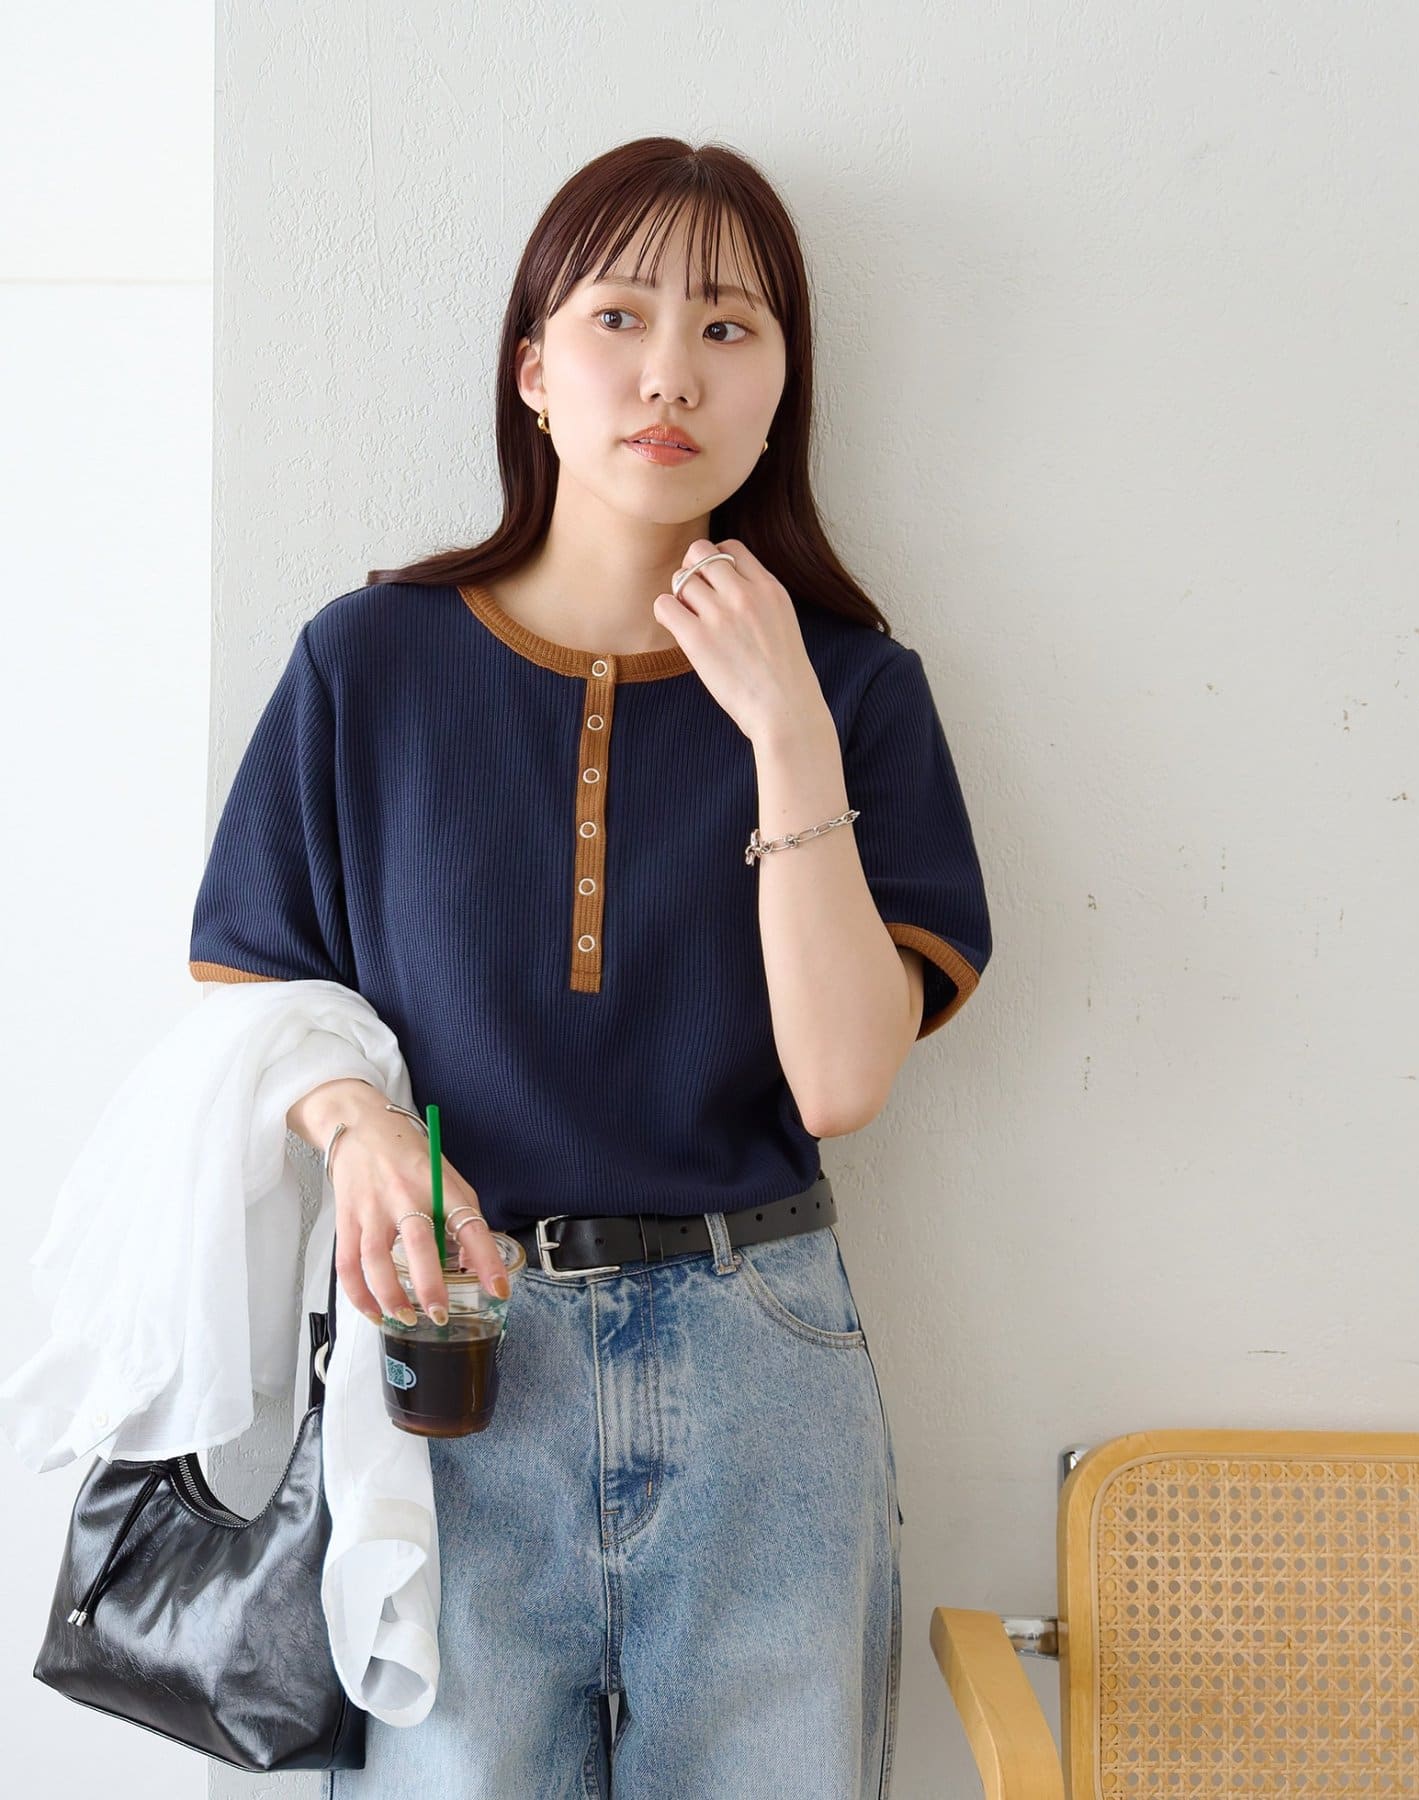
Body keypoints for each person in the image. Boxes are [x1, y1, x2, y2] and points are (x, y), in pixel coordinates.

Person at [189, 135, 992, 1800]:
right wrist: (357, 1131)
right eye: (620, 316)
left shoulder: (858, 691)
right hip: (451, 1352)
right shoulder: (368, 662)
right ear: (534, 370)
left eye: (728, 327)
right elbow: (255, 984)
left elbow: (842, 1078)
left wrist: (784, 727)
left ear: (781, 389)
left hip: (762, 1362)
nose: (671, 373)